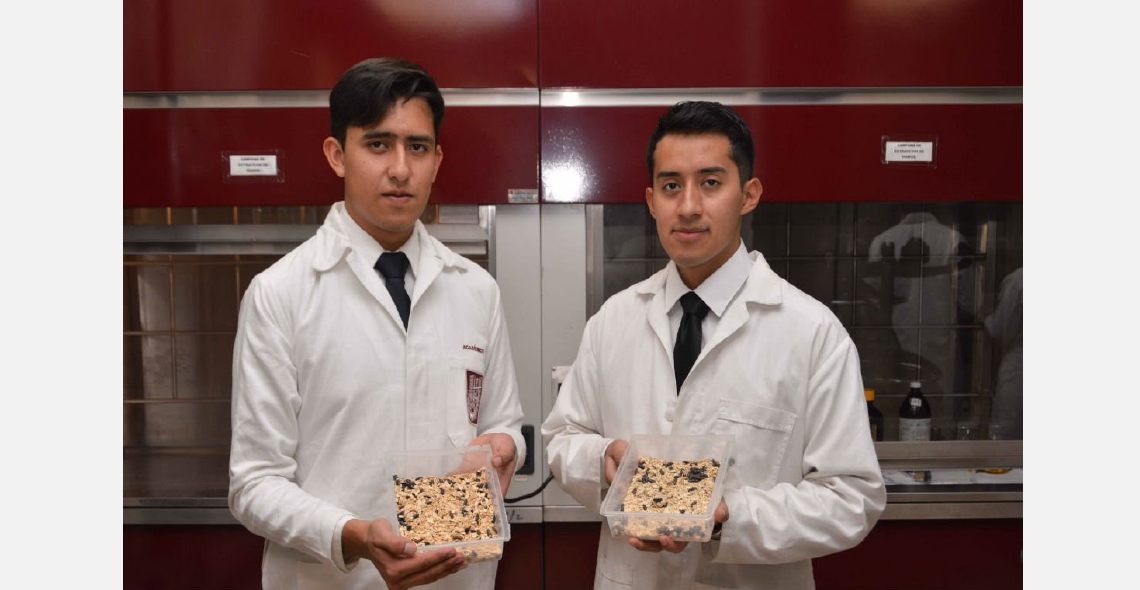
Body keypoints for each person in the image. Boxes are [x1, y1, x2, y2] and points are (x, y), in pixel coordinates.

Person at [541, 101, 886, 589]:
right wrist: (603, 462)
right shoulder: (612, 322)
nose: (688, 207)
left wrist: (725, 518)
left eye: (710, 182)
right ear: (651, 200)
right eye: (671, 186)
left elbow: (851, 498)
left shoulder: (812, 333)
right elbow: (563, 436)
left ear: (748, 194)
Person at [229, 57, 526, 590]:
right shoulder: (280, 294)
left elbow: (503, 423)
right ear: (337, 155)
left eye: (418, 147)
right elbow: (254, 484)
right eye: (378, 144)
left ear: (437, 160)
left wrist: (504, 446)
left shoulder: (476, 289)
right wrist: (356, 535)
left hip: (457, 576)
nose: (400, 169)